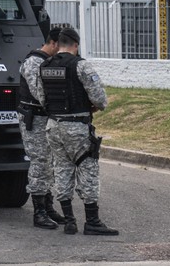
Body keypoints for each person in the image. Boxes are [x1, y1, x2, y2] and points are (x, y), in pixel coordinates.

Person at [37, 28, 119, 236]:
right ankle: (92, 221)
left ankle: (70, 221)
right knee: (88, 169)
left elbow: (41, 97)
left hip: (53, 126)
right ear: (75, 44)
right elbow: (100, 99)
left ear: (59, 43)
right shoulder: (80, 66)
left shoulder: (44, 66)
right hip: (76, 126)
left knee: (62, 169)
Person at [18, 27, 65, 229]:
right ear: (53, 43)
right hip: (35, 119)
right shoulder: (33, 63)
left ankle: (48, 206)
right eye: (61, 46)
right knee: (39, 162)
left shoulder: (50, 62)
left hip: (47, 119)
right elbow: (40, 93)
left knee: (50, 162)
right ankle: (39, 212)